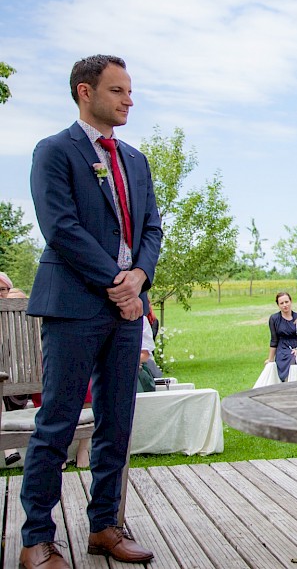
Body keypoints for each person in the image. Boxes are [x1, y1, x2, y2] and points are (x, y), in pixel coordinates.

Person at [20, 54, 161, 568]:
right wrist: (116, 283)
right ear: (85, 91)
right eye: (118, 90)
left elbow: (151, 230)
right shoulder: (55, 151)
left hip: (126, 312)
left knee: (117, 421)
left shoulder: (135, 160)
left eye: (130, 90)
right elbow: (61, 228)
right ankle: (36, 538)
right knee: (56, 423)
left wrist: (139, 279)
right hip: (76, 305)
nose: (129, 99)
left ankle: (105, 526)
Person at [266, 292, 297, 381]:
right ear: (278, 305)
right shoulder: (274, 319)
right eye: (281, 303)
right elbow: (274, 340)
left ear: (291, 301)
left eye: (286, 302)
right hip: (282, 348)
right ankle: (286, 380)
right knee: (290, 358)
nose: (285, 305)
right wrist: (270, 359)